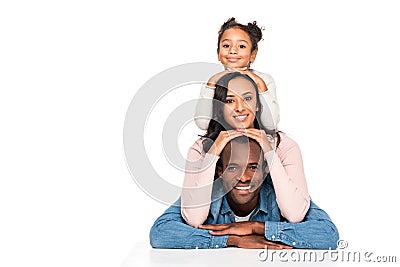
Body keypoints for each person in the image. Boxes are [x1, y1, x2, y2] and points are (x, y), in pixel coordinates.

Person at [150, 136, 339, 249]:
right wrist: (232, 240)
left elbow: (327, 234)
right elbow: (161, 233)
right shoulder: (204, 194)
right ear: (219, 171)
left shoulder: (283, 194)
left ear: (266, 170)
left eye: (253, 167)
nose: (244, 177)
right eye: (233, 168)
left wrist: (256, 228)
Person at [182, 72, 310, 227]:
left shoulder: (284, 146)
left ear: (257, 105)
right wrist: (214, 152)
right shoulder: (202, 148)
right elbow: (194, 219)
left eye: (247, 98)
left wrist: (269, 151)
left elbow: (295, 215)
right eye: (230, 100)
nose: (240, 108)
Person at [195, 17, 279, 131]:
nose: (233, 50)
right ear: (218, 53)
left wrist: (260, 84)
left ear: (253, 55)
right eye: (226, 46)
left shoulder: (264, 80)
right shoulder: (212, 82)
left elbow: (271, 124)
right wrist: (211, 84)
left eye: (241, 46)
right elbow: (202, 124)